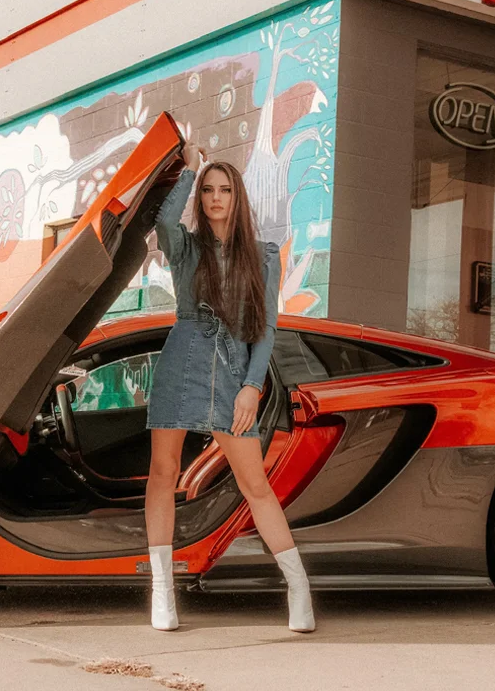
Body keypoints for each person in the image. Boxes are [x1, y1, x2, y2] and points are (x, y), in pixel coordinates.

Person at [143, 142, 314, 633]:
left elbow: (266, 330)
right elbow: (163, 224)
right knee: (163, 473)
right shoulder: (186, 248)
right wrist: (189, 171)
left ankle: (298, 588)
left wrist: (251, 387)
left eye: (225, 190)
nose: (217, 198)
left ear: (238, 199)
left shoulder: (263, 256)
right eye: (209, 191)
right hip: (183, 361)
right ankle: (163, 593)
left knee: (255, 484)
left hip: (234, 371)